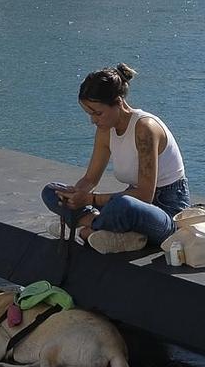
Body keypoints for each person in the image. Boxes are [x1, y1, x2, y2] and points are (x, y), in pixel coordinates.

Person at [40, 63, 190, 253]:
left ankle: (81, 227)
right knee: (51, 191)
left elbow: (145, 195)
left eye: (98, 113)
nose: (93, 120)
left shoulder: (145, 128)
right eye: (90, 114)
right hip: (132, 201)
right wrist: (75, 196)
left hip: (165, 211)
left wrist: (90, 200)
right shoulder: (105, 130)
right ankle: (101, 228)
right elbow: (90, 179)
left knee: (123, 205)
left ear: (118, 102)